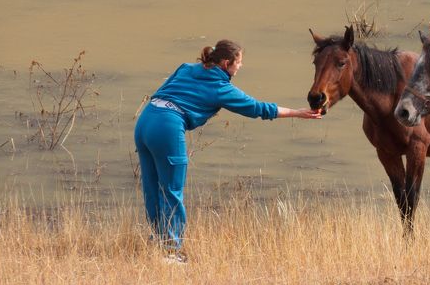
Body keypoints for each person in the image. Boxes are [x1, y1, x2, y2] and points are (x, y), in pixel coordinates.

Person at [134, 39, 321, 263]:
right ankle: (172, 252)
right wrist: (298, 112)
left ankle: (158, 242)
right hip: (167, 126)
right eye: (238, 62)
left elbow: (164, 92)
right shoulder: (221, 88)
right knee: (172, 191)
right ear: (226, 63)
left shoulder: (186, 67)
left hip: (146, 120)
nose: (240, 66)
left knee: (152, 188)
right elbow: (257, 108)